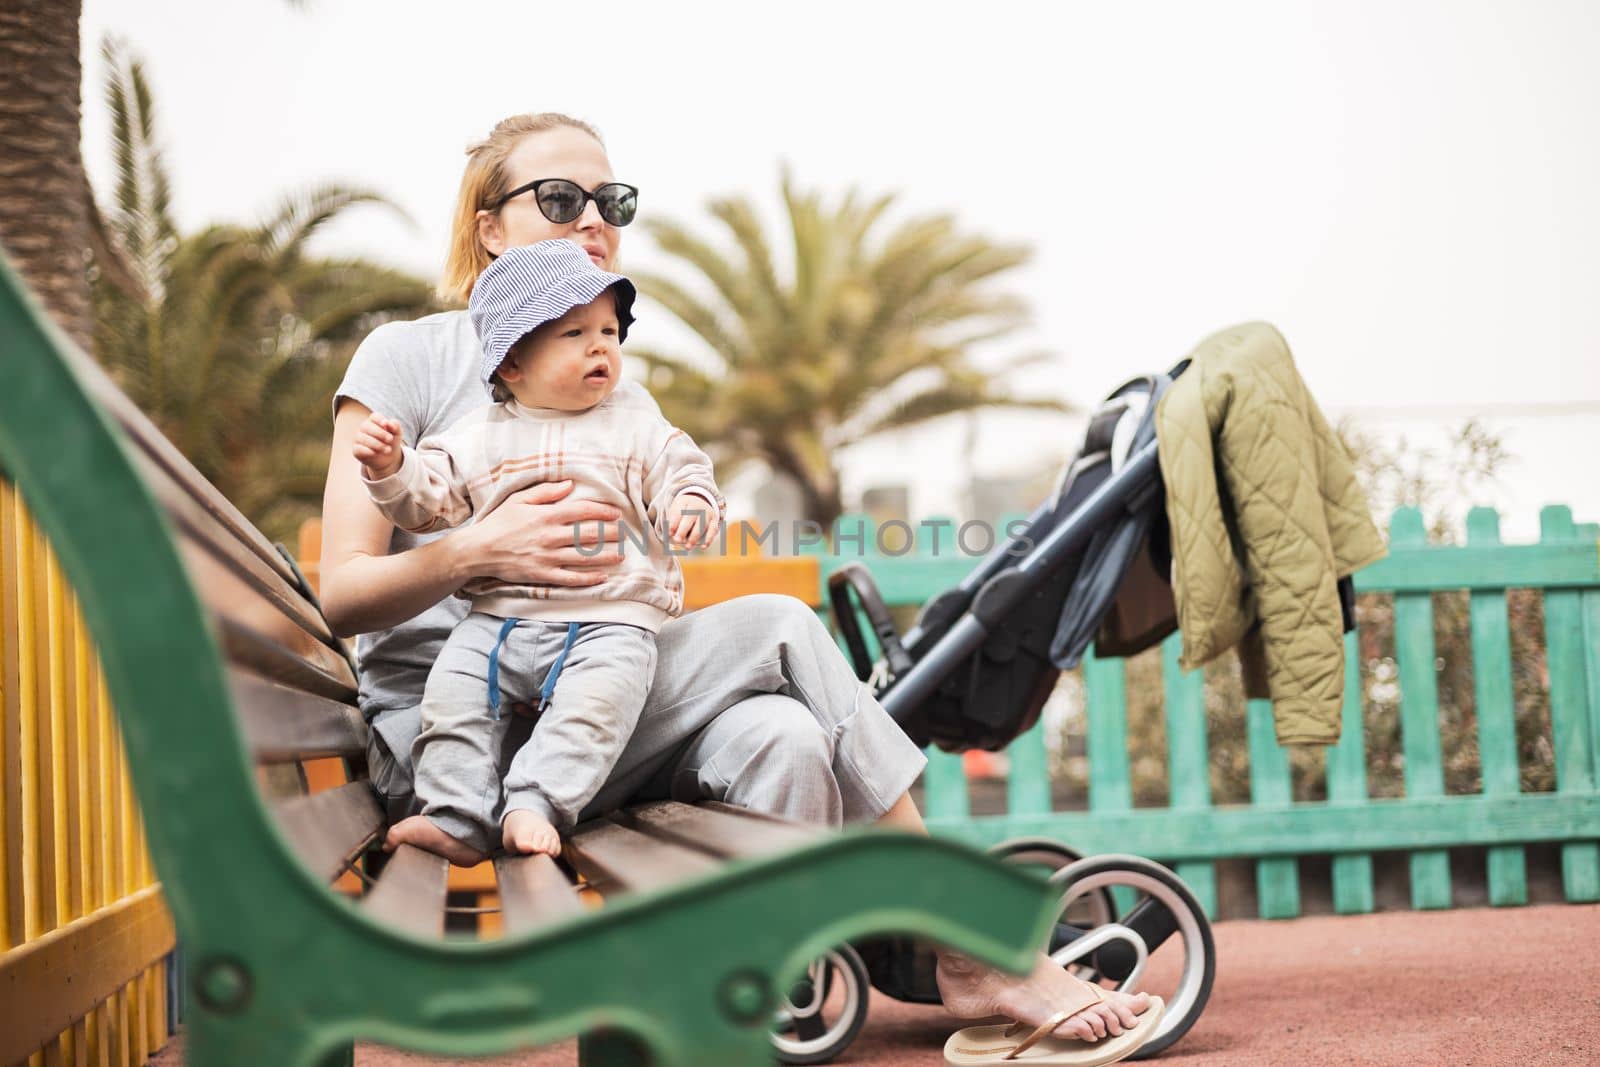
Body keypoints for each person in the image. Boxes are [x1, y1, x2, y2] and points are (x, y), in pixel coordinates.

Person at [319, 111, 1152, 1048]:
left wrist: (673, 520)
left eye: (614, 201)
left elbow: (659, 518)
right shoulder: (408, 359)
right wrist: (476, 551)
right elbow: (342, 592)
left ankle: (725, 1015)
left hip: (594, 706)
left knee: (784, 735)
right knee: (782, 623)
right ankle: (966, 947)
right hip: (460, 746)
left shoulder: (612, 384)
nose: (594, 218)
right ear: (488, 226)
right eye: (560, 198)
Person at [352, 239, 721, 865]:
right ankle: (455, 814)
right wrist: (392, 468)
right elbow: (429, 500)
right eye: (573, 332)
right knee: (454, 697)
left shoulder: (636, 425)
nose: (600, 345)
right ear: (513, 365)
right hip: (497, 620)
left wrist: (689, 505)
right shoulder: (477, 437)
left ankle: (536, 801)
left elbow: (682, 470)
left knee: (594, 710)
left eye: (609, 330)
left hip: (609, 622)